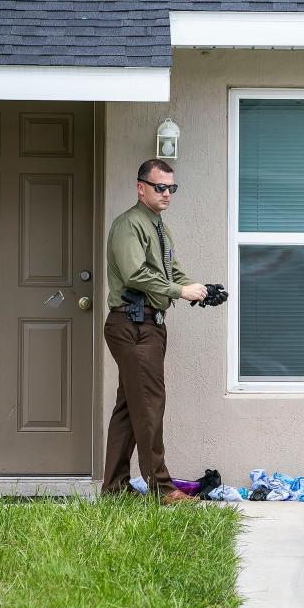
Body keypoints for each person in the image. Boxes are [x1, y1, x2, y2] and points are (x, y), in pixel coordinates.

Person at [102, 159, 208, 504]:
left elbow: (172, 273)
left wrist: (201, 289)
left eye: (171, 188)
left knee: (130, 408)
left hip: (149, 325)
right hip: (131, 324)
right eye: (160, 187)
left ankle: (115, 488)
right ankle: (161, 490)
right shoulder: (128, 225)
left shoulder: (159, 228)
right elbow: (135, 274)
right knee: (148, 404)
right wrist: (179, 292)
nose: (166, 194)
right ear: (140, 187)